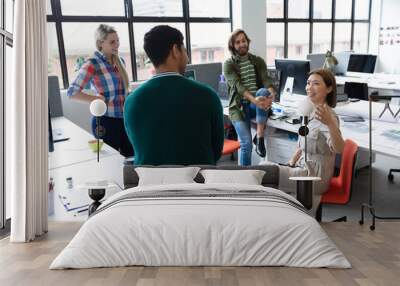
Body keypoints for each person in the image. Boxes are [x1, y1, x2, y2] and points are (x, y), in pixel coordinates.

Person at [124, 25, 224, 165]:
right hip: (197, 183)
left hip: (150, 184)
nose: (187, 58)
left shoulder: (131, 101)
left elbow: (138, 147)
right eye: (184, 50)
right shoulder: (207, 96)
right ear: (175, 50)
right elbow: (217, 151)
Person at [278, 68, 345, 215]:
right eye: (308, 83)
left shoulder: (328, 116)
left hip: (316, 177)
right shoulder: (308, 110)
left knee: (266, 173)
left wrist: (331, 124)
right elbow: (303, 143)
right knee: (268, 173)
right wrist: (291, 162)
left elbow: (339, 148)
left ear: (329, 88)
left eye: (315, 83)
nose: (309, 87)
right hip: (302, 167)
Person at [67, 24, 134, 157]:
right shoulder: (92, 64)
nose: (117, 45)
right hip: (105, 122)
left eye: (118, 40)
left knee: (131, 161)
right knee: (111, 164)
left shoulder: (120, 61)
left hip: (125, 121)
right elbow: (72, 93)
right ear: (100, 43)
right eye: (112, 42)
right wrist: (96, 100)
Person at [223, 29, 277, 166]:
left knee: (263, 91)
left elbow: (266, 79)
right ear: (233, 46)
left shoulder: (258, 61)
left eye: (243, 41)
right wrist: (254, 100)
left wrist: (272, 95)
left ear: (248, 42)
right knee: (246, 144)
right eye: (238, 42)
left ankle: (259, 138)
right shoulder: (229, 64)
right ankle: (244, 181)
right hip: (238, 109)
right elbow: (237, 86)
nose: (242, 44)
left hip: (255, 106)